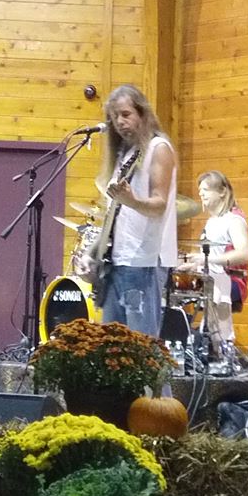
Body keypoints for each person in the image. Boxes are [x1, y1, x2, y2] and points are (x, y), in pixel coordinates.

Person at [95, 83, 178, 338]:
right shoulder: (125, 155)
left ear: (142, 114)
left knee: (141, 348)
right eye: (114, 117)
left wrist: (132, 201)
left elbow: (159, 205)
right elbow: (114, 215)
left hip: (144, 261)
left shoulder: (158, 148)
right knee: (112, 348)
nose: (119, 122)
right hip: (116, 262)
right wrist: (93, 252)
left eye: (125, 114)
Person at [193, 172, 248, 364]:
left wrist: (207, 260)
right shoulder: (211, 223)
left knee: (217, 285)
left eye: (206, 189)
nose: (201, 194)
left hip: (232, 280)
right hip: (212, 278)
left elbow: (243, 254)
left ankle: (224, 348)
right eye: (200, 190)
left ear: (223, 192)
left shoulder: (234, 220)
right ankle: (207, 347)